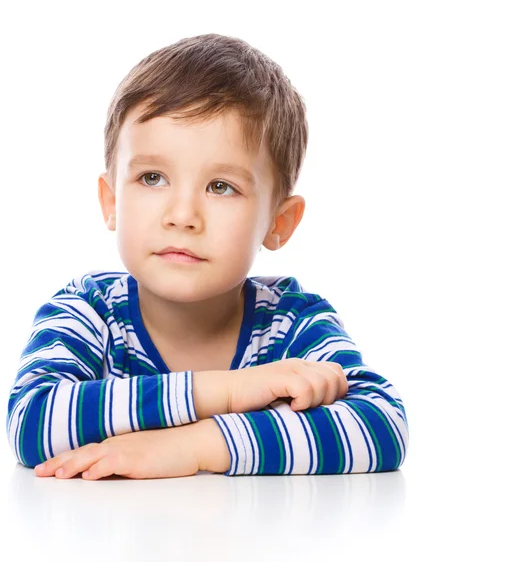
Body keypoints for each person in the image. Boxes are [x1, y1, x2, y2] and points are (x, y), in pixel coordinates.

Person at [6, 34, 409, 480]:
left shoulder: (291, 323)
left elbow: (383, 427)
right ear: (111, 201)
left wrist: (195, 445)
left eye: (221, 187)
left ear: (279, 222)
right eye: (153, 177)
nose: (182, 216)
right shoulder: (88, 311)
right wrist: (230, 392)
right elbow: (31, 421)